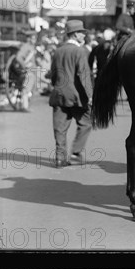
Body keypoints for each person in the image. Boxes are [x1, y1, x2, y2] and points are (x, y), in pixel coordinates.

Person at [48, 20, 93, 168]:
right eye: (82, 32)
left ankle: (60, 158)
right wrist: (90, 95)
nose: (84, 35)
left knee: (60, 128)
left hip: (59, 95)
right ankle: (75, 152)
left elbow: (53, 74)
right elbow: (84, 75)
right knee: (86, 122)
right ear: (74, 34)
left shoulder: (58, 50)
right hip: (76, 96)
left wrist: (57, 86)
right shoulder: (80, 51)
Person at [14, 30, 38, 112]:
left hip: (33, 71)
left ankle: (25, 106)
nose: (34, 40)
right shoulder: (26, 46)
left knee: (29, 89)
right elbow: (18, 57)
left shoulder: (31, 47)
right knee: (26, 89)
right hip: (29, 71)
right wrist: (24, 66)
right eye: (33, 38)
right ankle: (25, 106)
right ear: (29, 39)